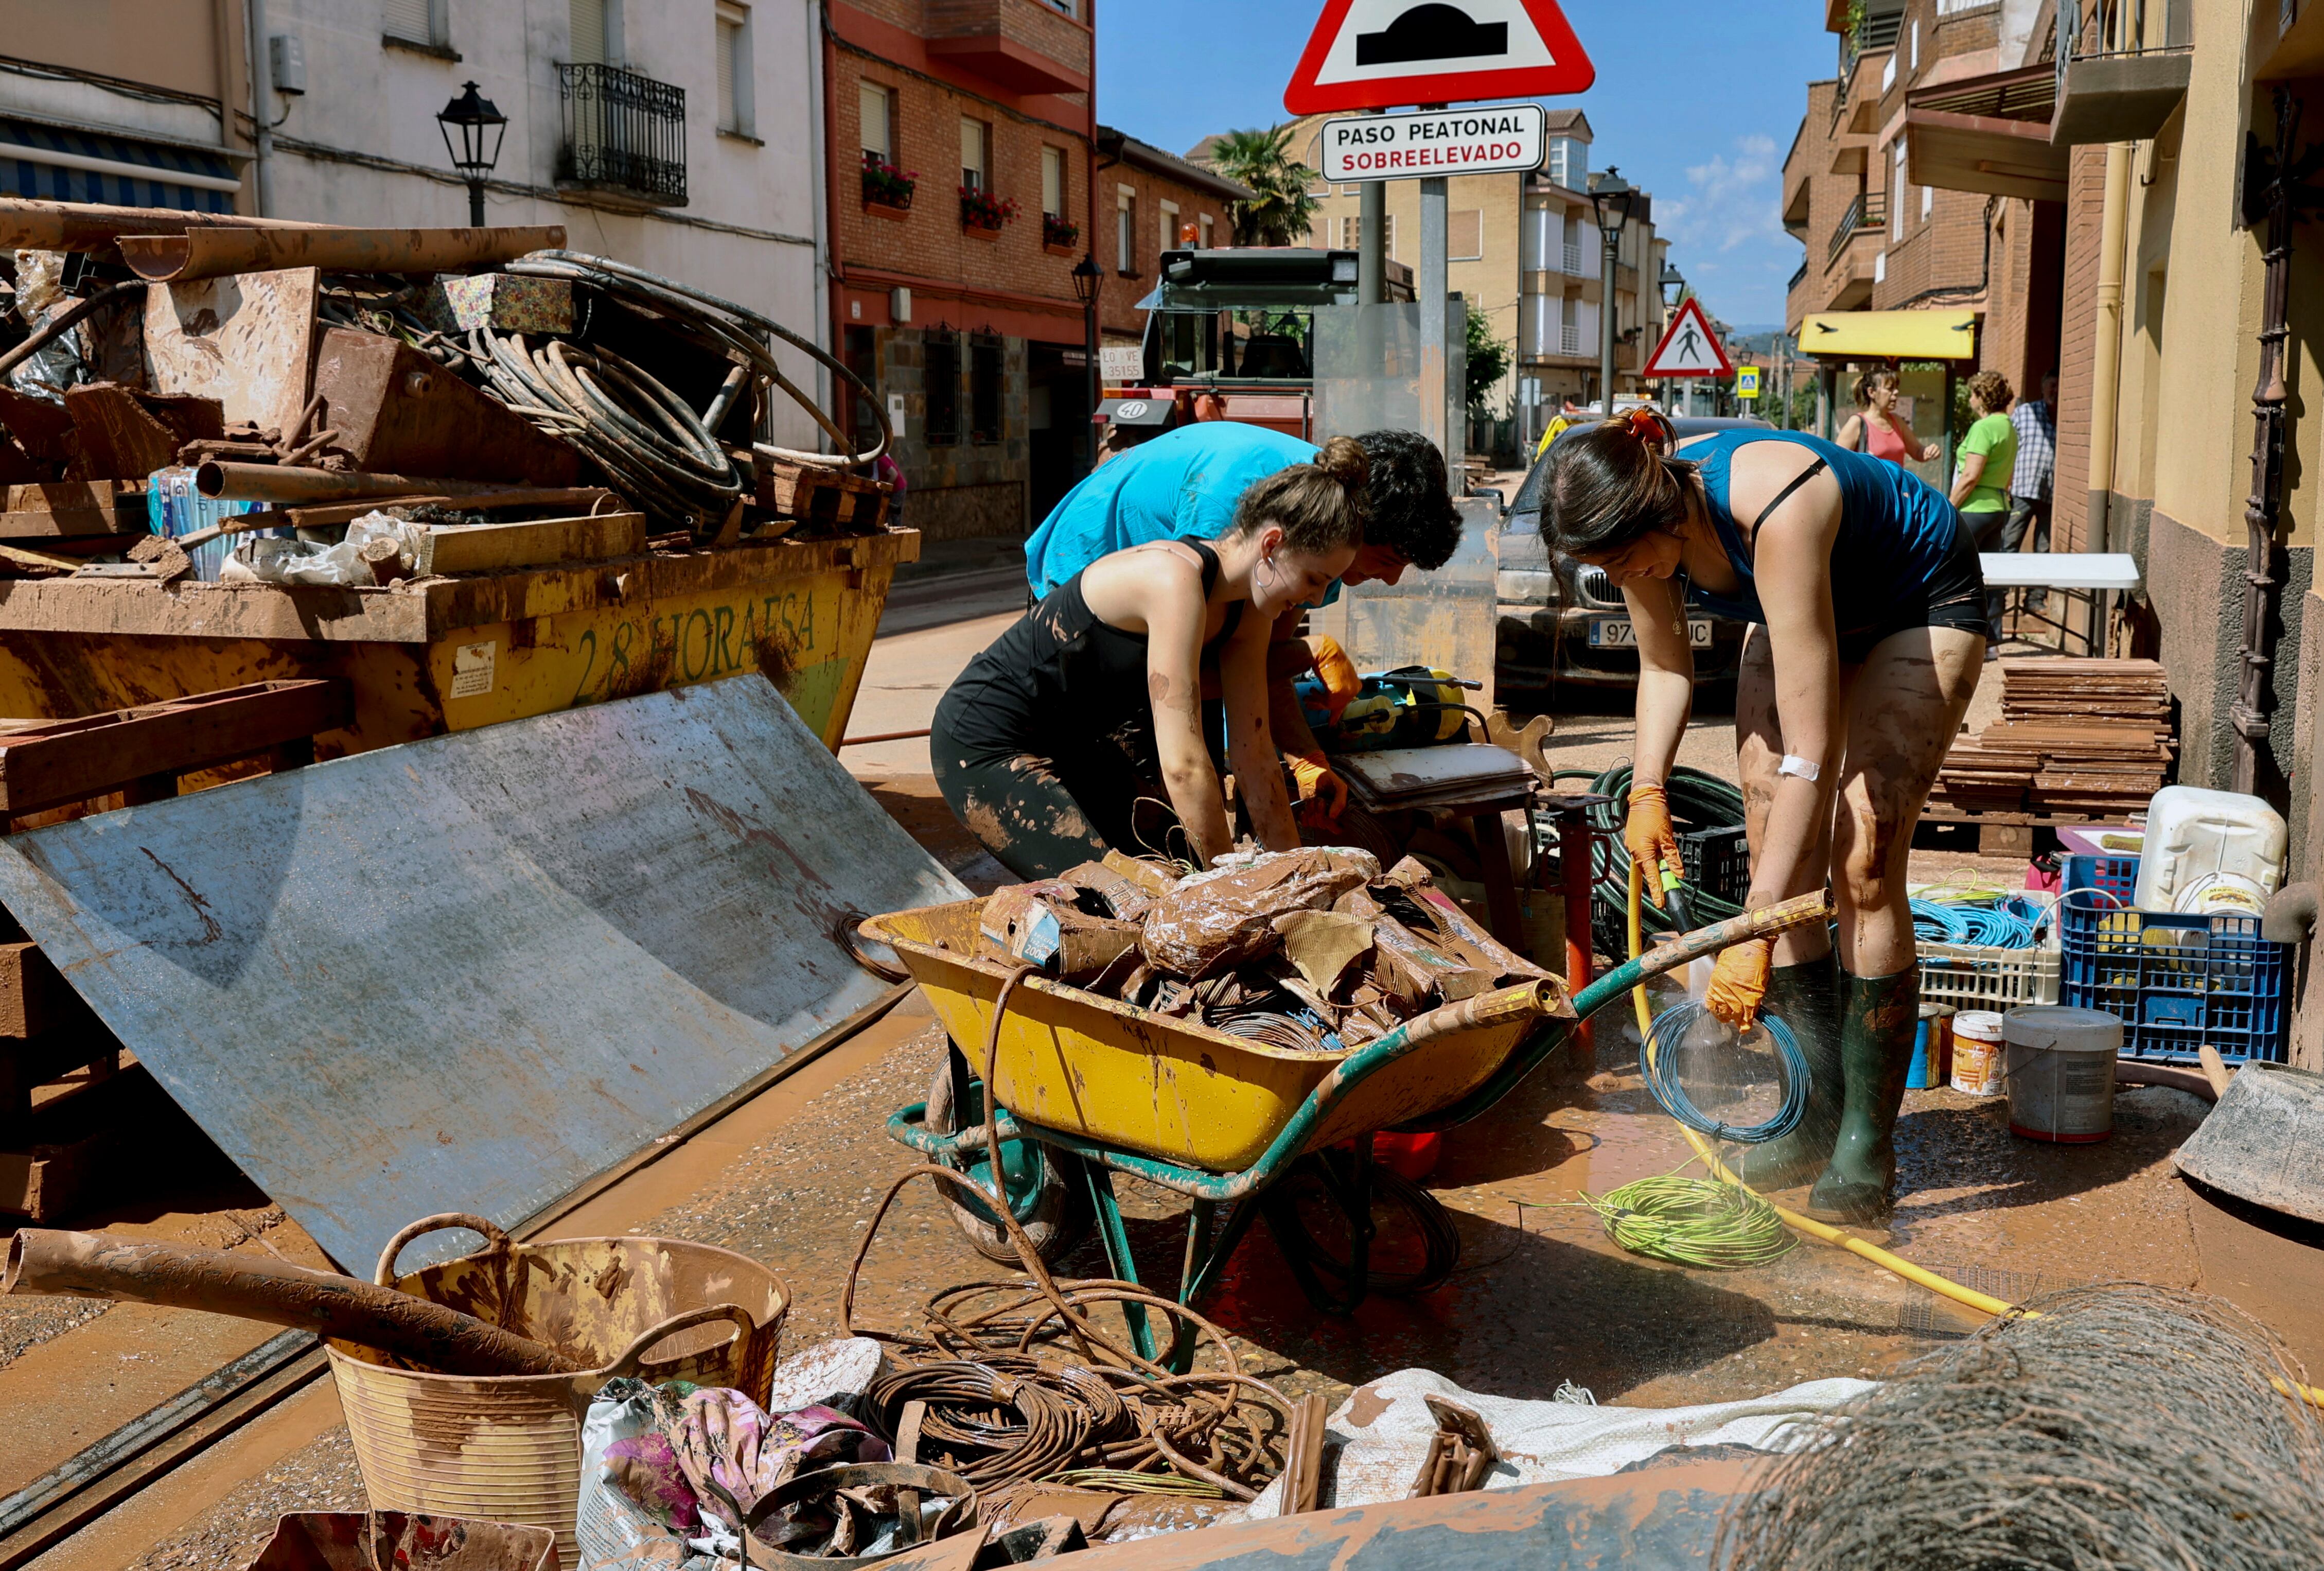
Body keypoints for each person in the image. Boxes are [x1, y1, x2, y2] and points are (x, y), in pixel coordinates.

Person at [1544, 409, 1990, 1222]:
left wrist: (1755, 933)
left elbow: (1812, 756)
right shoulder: (1641, 532)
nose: (1624, 574)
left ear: (1660, 506)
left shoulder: (1774, 503)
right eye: (1604, 566)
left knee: (1861, 852)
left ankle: (1864, 1145)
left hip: (1916, 599)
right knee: (1767, 830)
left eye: (1624, 558)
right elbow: (1665, 670)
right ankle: (1813, 1118)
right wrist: (1648, 789)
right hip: (1802, 615)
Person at [932, 439, 1371, 879]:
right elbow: (1184, 764)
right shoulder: (1173, 581)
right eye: (1315, 579)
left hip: (1075, 745)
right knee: (1121, 901)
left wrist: (1292, 879)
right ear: (1272, 545)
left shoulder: (1249, 610)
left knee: (1170, 867)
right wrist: (1228, 886)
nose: (1315, 598)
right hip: (986, 741)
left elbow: (1254, 758)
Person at [1022, 421, 1462, 824]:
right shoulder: (1233, 503)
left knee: (1207, 786)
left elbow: (1258, 664)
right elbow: (1197, 679)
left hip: (1180, 619)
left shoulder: (1320, 549)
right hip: (1082, 583)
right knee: (1146, 809)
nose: (1390, 579)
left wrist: (1308, 757)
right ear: (1357, 523)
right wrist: (1309, 653)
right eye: (1389, 561)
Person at [1951, 371, 2018, 641]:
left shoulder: (1984, 427)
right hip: (1999, 507)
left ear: (1982, 397)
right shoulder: (2008, 426)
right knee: (1990, 576)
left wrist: (1949, 507)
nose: (1970, 399)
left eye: (1973, 394)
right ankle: (1992, 639)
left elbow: (1970, 475)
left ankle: (1962, 634)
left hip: (1975, 508)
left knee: (1958, 573)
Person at [2003, 371, 2058, 608]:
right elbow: (2008, 447)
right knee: (2010, 543)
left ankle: (2035, 599)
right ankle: (1998, 596)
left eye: (2059, 386)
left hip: (2051, 493)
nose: (2055, 391)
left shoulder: (2065, 417)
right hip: (2022, 489)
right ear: (2043, 387)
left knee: (2044, 548)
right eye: (2051, 386)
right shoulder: (2026, 412)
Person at [1834, 371, 1939, 466]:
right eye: (1890, 388)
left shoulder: (1897, 421)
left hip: (1896, 488)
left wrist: (1929, 451)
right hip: (1870, 488)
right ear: (1872, 392)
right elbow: (1837, 462)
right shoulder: (1857, 423)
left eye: (1896, 388)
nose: (1896, 392)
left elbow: (1918, 452)